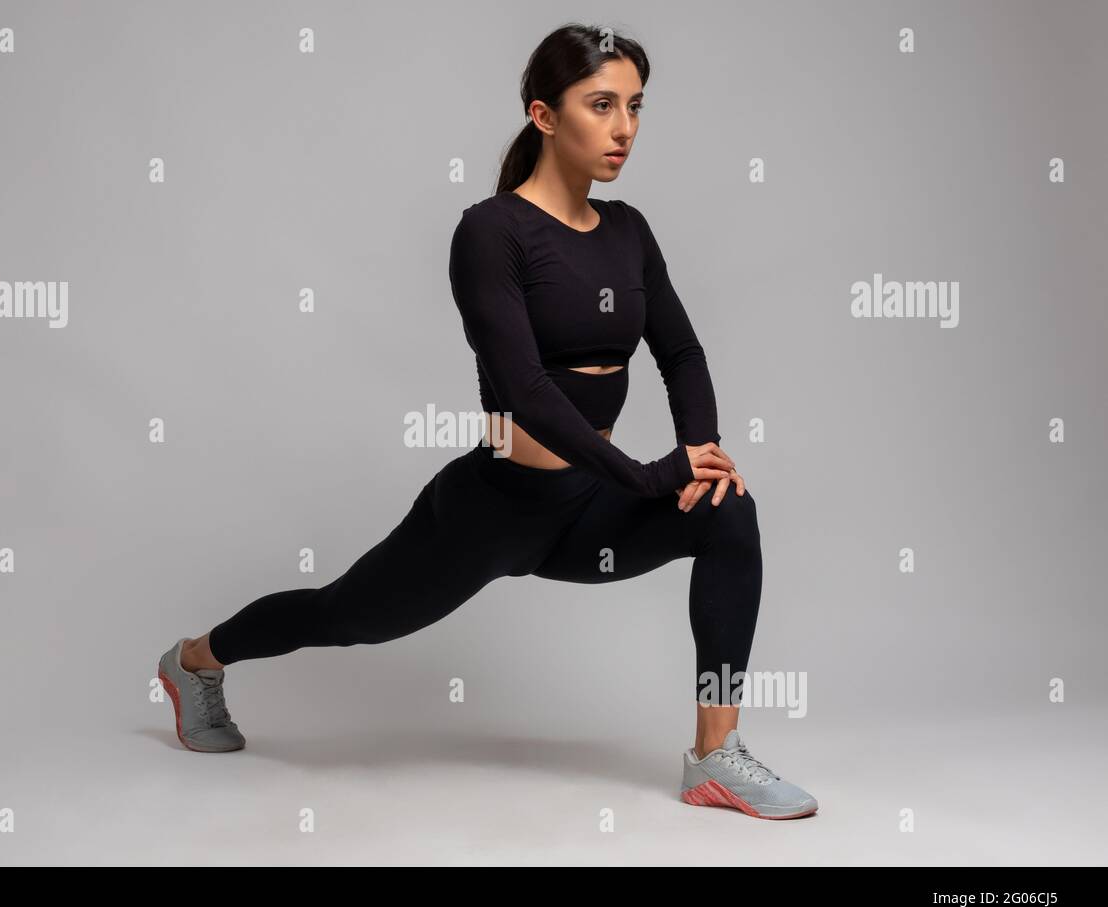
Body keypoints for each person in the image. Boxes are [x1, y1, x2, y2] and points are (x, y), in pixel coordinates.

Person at [158, 23, 818, 820]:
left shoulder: (629, 231)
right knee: (346, 617)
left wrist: (699, 452)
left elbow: (680, 350)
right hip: (492, 510)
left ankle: (715, 757)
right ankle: (196, 662)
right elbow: (525, 388)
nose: (624, 129)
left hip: (588, 510)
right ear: (544, 115)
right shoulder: (491, 231)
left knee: (727, 512)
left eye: (635, 106)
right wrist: (647, 477)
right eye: (601, 104)